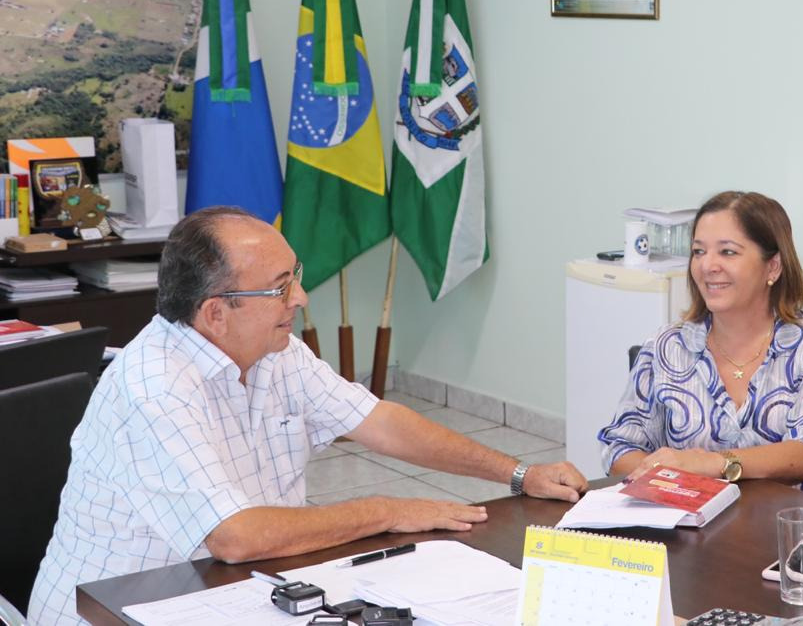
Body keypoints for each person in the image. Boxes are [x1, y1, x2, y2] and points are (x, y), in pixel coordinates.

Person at [30, 206, 588, 625]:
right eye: (280, 288)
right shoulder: (153, 386)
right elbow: (237, 536)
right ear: (216, 313)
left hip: (228, 589)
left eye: (294, 275)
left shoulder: (275, 350)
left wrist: (519, 473)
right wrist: (386, 510)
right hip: (117, 609)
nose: (300, 298)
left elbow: (380, 421)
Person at [598, 191, 803, 500]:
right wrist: (676, 482)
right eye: (698, 251)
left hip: (791, 537)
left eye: (728, 252)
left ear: (772, 267)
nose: (708, 265)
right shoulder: (666, 347)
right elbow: (620, 447)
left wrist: (714, 464)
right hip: (690, 534)